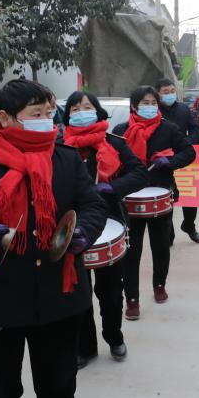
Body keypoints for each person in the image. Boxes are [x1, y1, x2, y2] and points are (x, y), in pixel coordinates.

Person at [0, 79, 106, 398]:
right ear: (5, 117)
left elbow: (93, 206)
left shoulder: (66, 160)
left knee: (58, 391)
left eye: (49, 113)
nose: (46, 121)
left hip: (59, 298)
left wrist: (81, 232)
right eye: (36, 114)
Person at [63, 91, 148, 369]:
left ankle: (114, 337)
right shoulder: (60, 148)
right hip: (73, 228)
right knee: (78, 291)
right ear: (67, 117)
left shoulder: (114, 143)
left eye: (87, 107)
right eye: (75, 109)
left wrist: (114, 187)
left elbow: (139, 173)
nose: (81, 112)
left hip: (109, 223)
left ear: (98, 111)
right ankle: (84, 347)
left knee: (110, 291)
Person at [113, 86, 196, 320]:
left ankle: (159, 284)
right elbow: (111, 159)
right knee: (131, 250)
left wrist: (170, 161)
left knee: (160, 245)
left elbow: (189, 153)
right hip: (130, 197)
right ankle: (132, 299)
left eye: (153, 103)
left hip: (160, 194)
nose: (150, 107)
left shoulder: (168, 128)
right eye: (145, 103)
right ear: (134, 106)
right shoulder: (121, 131)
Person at [156, 78, 199, 244]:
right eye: (165, 92)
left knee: (190, 196)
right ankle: (169, 232)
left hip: (183, 157)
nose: (170, 94)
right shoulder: (154, 111)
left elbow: (195, 128)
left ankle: (189, 225)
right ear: (158, 94)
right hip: (163, 160)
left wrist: (188, 143)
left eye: (172, 91)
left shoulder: (184, 109)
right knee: (169, 196)